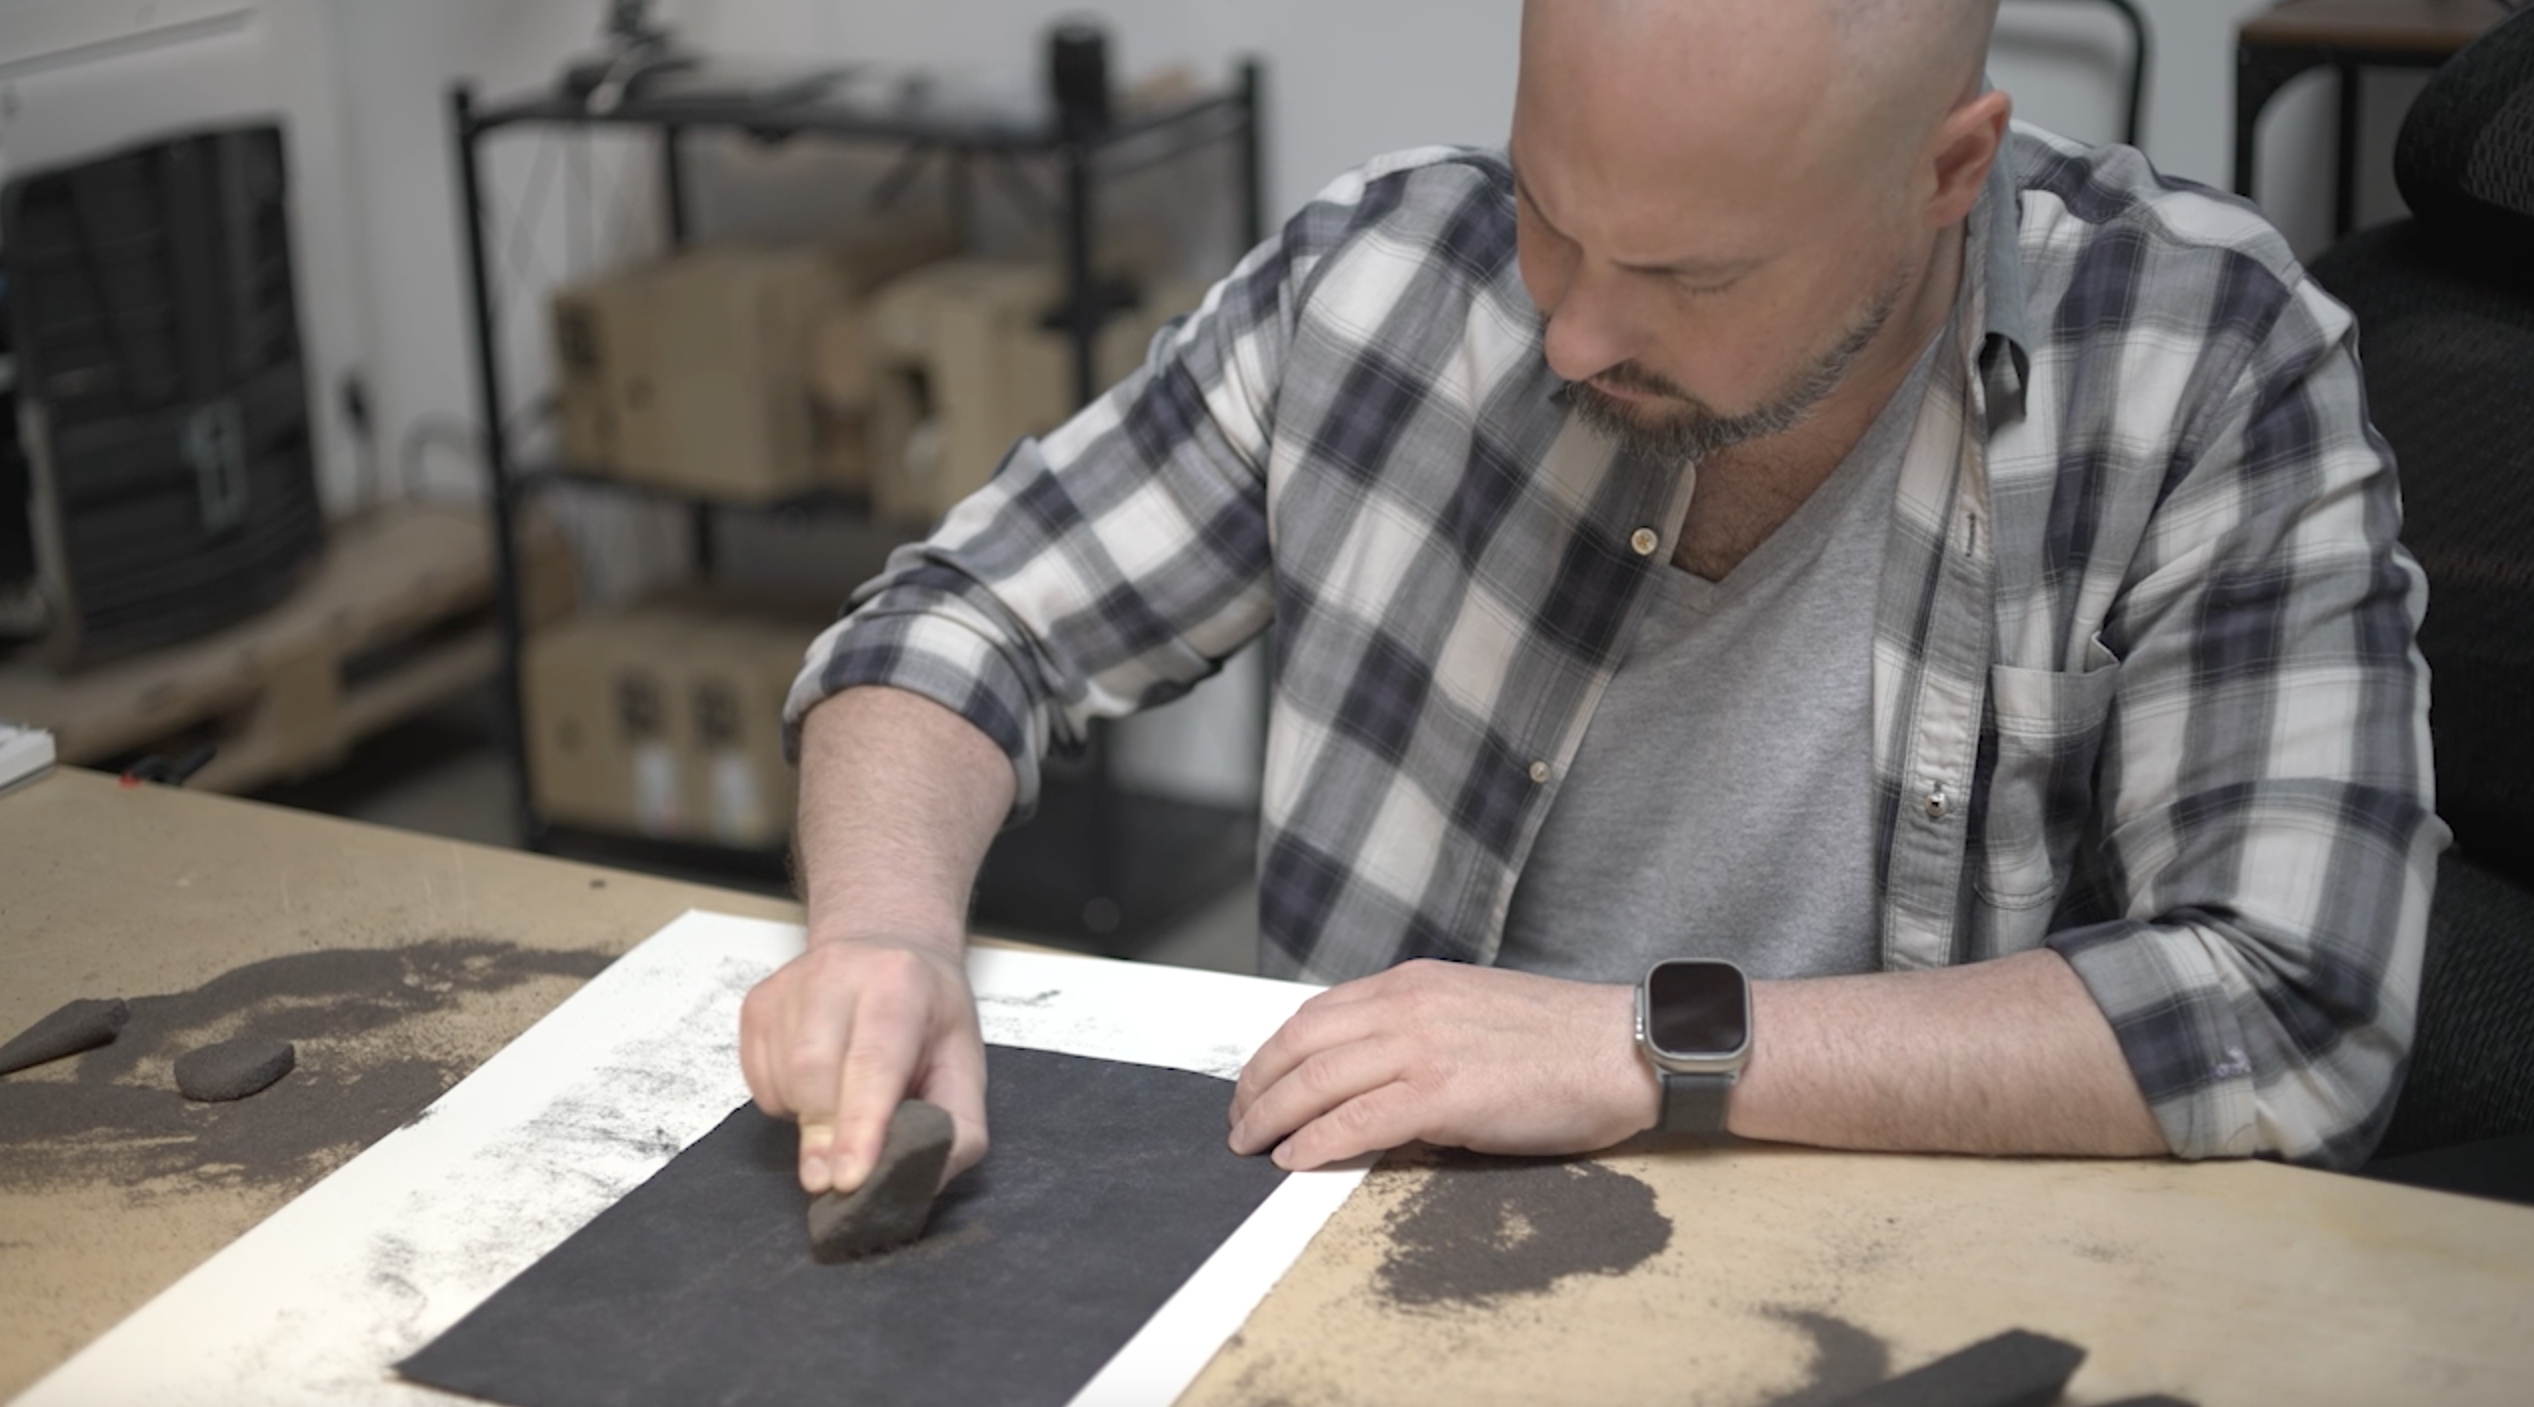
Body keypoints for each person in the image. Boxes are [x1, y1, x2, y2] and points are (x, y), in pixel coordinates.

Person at [740, 0, 2446, 1203]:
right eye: (1550, 212)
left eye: (1686, 274)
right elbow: (960, 620)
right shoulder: (1387, 275)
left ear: (1947, 171)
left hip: (1903, 1288)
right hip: (1356, 1260)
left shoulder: (2202, 357)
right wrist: (881, 931)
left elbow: (2286, 1000)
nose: (1564, 331)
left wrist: (1647, 1046)